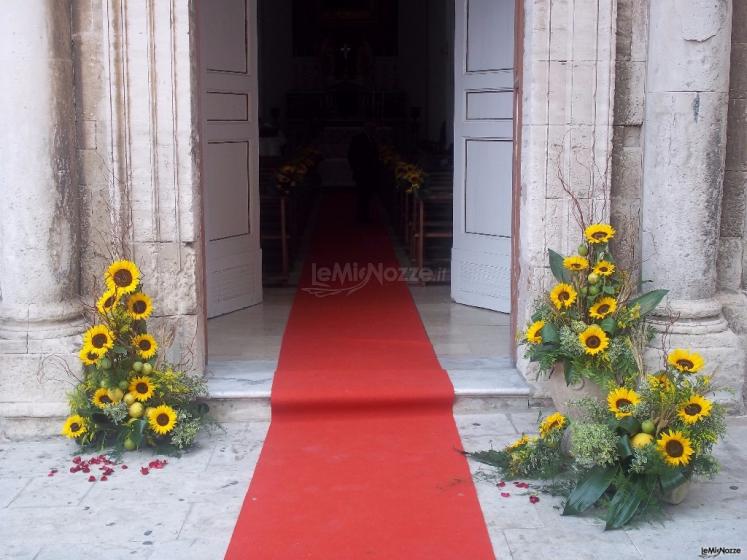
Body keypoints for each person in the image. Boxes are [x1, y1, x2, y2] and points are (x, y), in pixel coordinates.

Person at [347, 122, 379, 223]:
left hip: (370, 172)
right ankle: (361, 217)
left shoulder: (372, 139)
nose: (373, 130)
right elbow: (351, 155)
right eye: (371, 128)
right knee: (362, 195)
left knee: (367, 196)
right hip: (361, 172)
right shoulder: (358, 139)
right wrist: (356, 168)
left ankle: (365, 216)